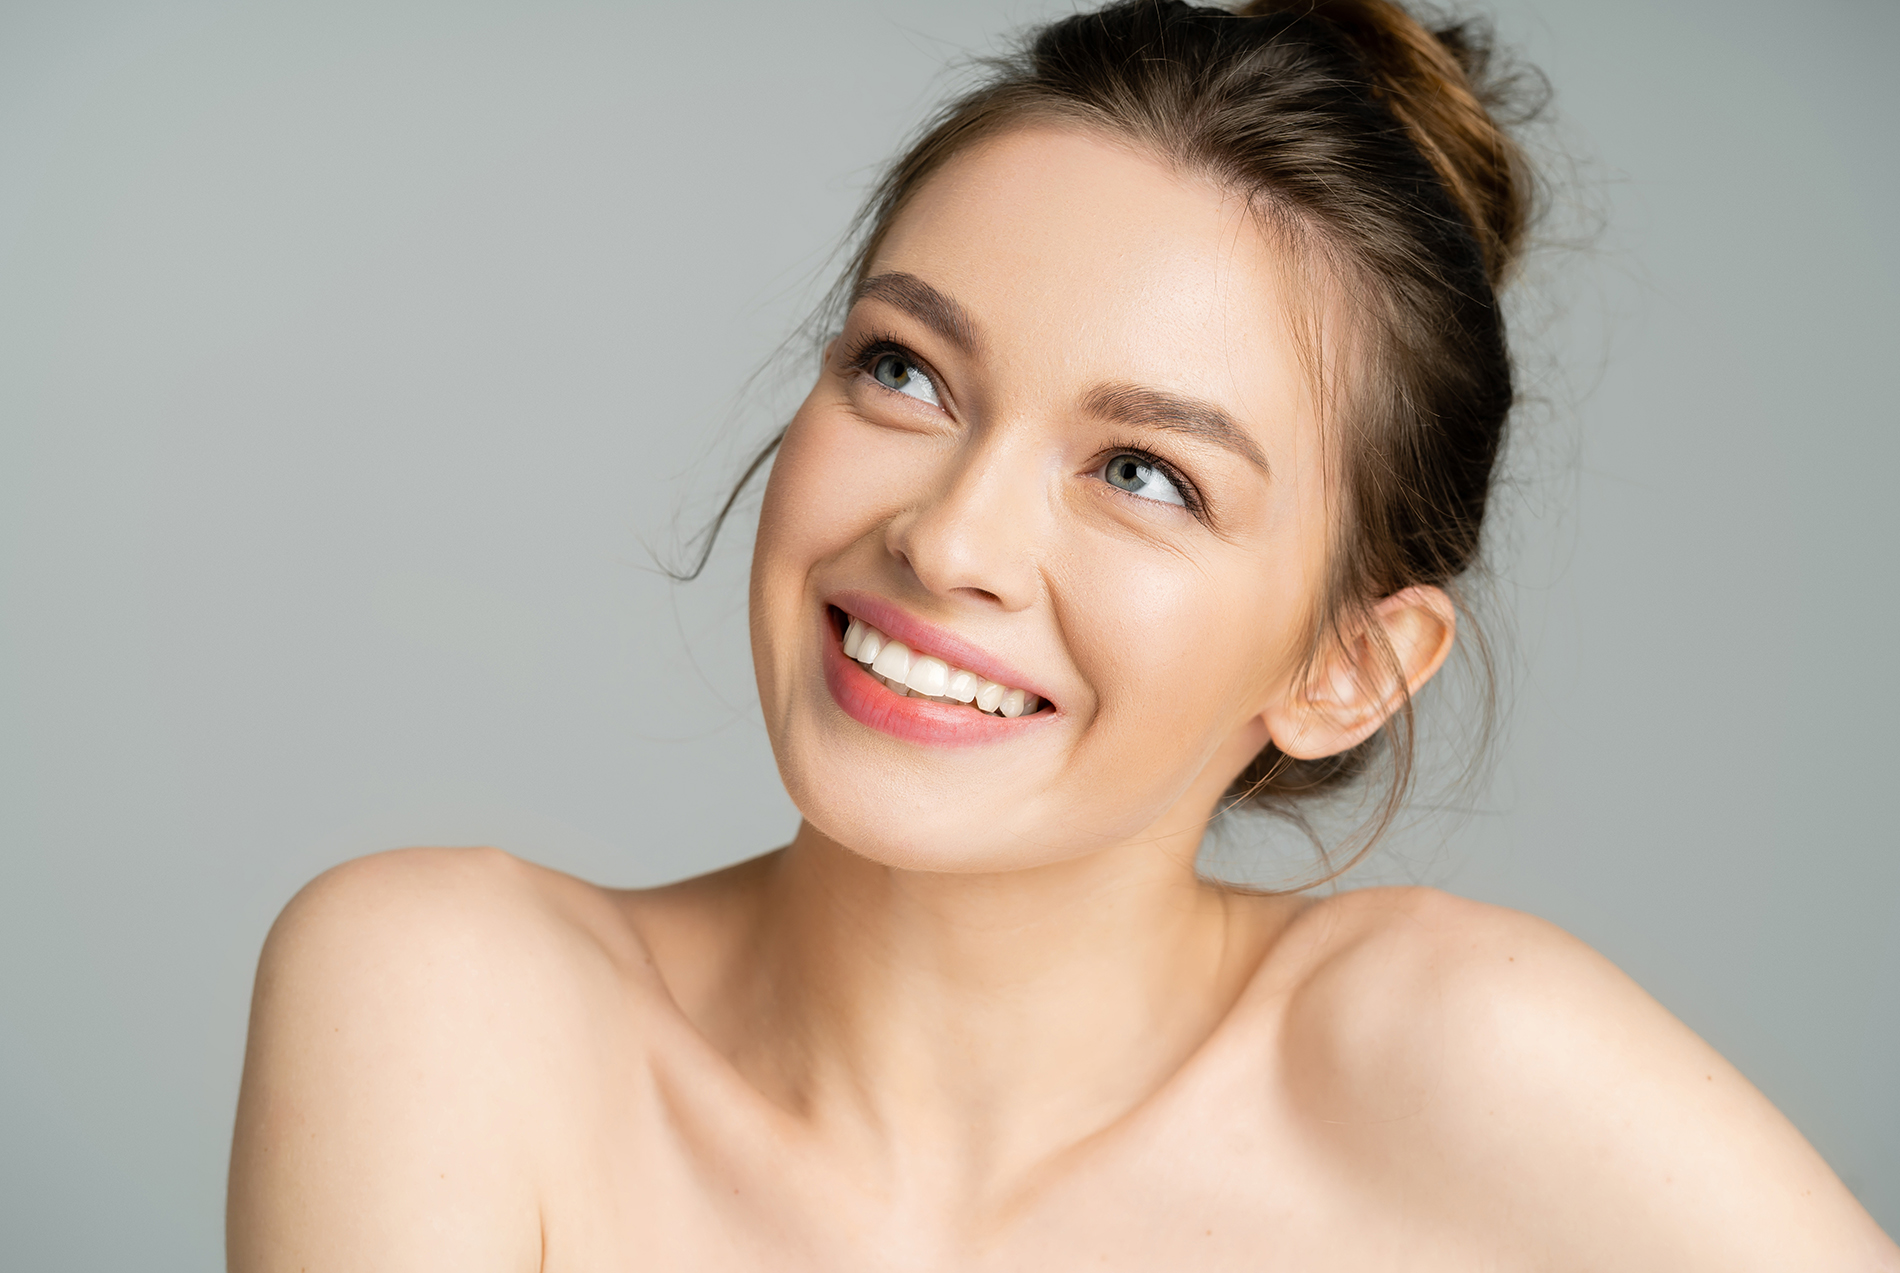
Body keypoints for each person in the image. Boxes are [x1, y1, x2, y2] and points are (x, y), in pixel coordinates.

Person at [226, 1, 1898, 1267]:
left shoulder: (1448, 1054)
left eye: (1145, 474)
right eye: (905, 370)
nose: (947, 537)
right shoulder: (447, 1000)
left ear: (1350, 666)